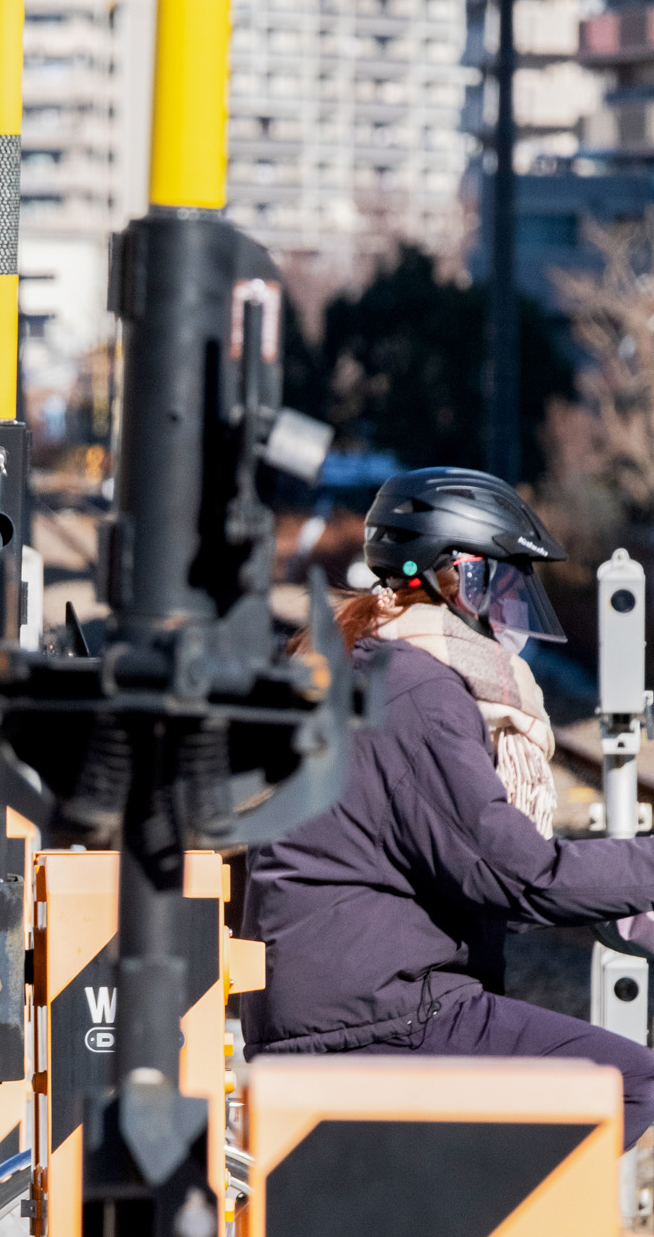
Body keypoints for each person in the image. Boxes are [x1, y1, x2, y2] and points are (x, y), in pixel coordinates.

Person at [239, 466, 654, 1155]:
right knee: (630, 1084)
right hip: (381, 1019)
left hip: (342, 1009)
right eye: (511, 586)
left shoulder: (367, 669)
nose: (516, 618)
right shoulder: (415, 693)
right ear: (458, 576)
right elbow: (518, 872)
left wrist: (615, 893)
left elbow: (468, 864)